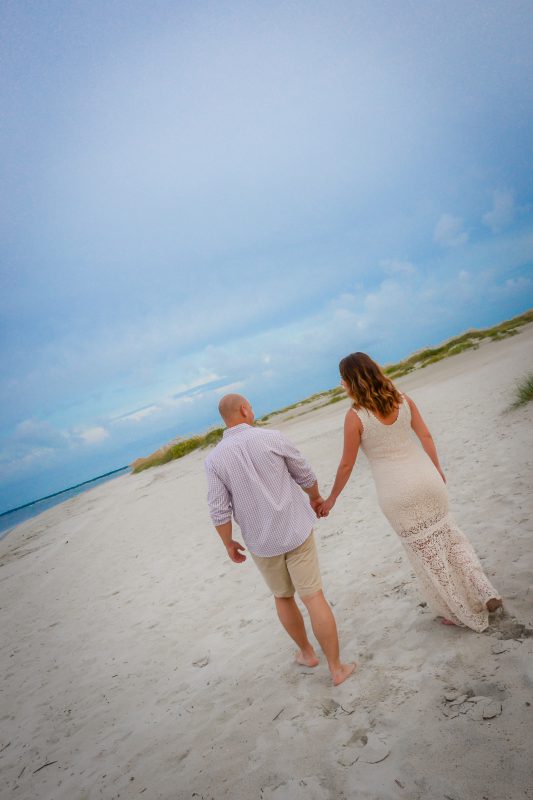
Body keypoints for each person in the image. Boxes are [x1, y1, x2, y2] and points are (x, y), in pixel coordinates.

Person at [318, 352, 502, 632]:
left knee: (428, 556)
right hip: (427, 478)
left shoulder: (355, 417)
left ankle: (458, 611)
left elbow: (346, 464)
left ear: (350, 382)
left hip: (397, 493)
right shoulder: (403, 400)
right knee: (453, 540)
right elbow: (425, 436)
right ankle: (484, 591)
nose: (342, 384)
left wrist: (331, 498)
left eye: (343, 380)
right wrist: (437, 470)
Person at [205, 393, 355, 685]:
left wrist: (228, 542)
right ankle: (336, 669)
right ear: (245, 410)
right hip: (296, 530)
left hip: (262, 542)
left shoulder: (214, 460)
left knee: (283, 597)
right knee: (313, 596)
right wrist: (315, 498)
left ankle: (307, 653)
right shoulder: (272, 437)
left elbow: (218, 509)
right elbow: (305, 473)